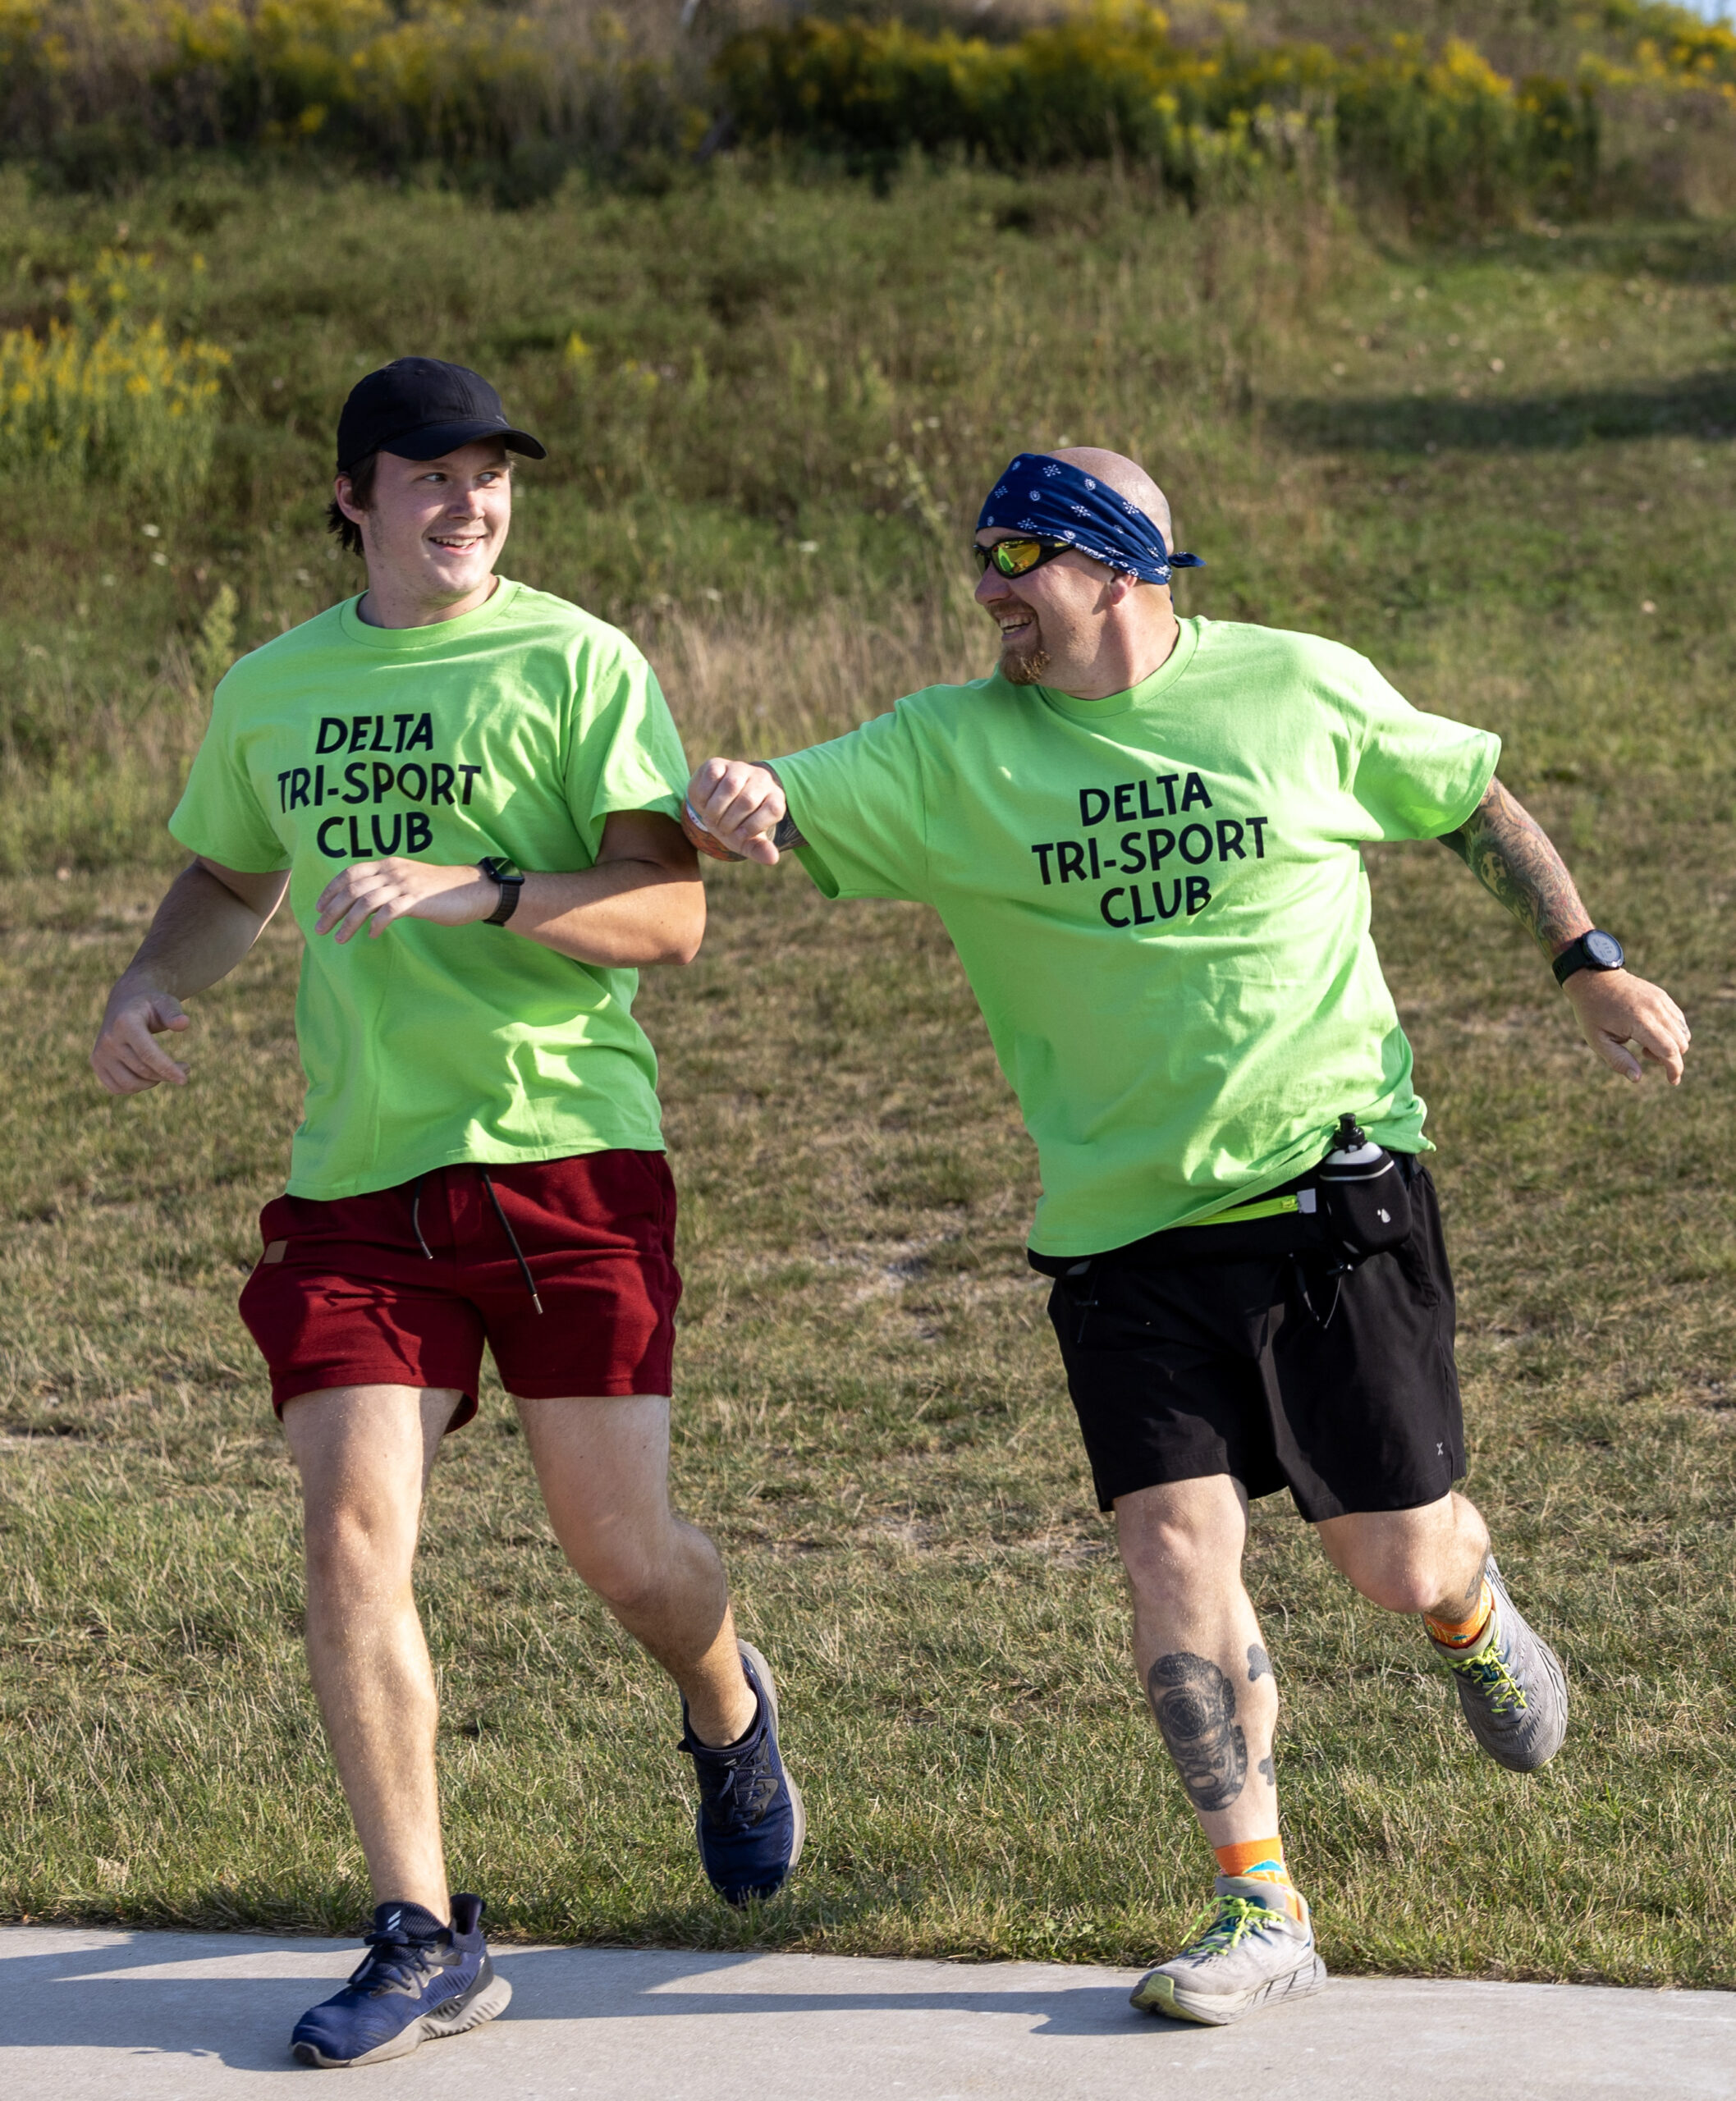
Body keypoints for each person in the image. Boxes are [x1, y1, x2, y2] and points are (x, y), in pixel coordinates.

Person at [683, 446, 1688, 2029]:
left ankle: (1472, 1611)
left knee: (1394, 1550)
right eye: (984, 564)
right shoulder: (955, 748)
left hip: (1325, 1193)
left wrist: (1587, 959)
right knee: (1170, 1550)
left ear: (1118, 570)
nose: (992, 595)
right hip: (1117, 1232)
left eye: (1022, 562)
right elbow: (789, 802)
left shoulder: (1296, 689)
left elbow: (1467, 794)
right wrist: (744, 794)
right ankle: (1259, 1902)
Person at [90, 357, 802, 2071]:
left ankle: (725, 1696)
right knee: (347, 1531)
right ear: (351, 494)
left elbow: (666, 912)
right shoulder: (274, 685)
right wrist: (148, 976)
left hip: (567, 1157)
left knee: (624, 1554)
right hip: (358, 1179)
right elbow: (228, 869)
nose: (467, 503)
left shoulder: (572, 659)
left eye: (489, 475)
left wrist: (467, 890)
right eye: (430, 475)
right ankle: (421, 1928)